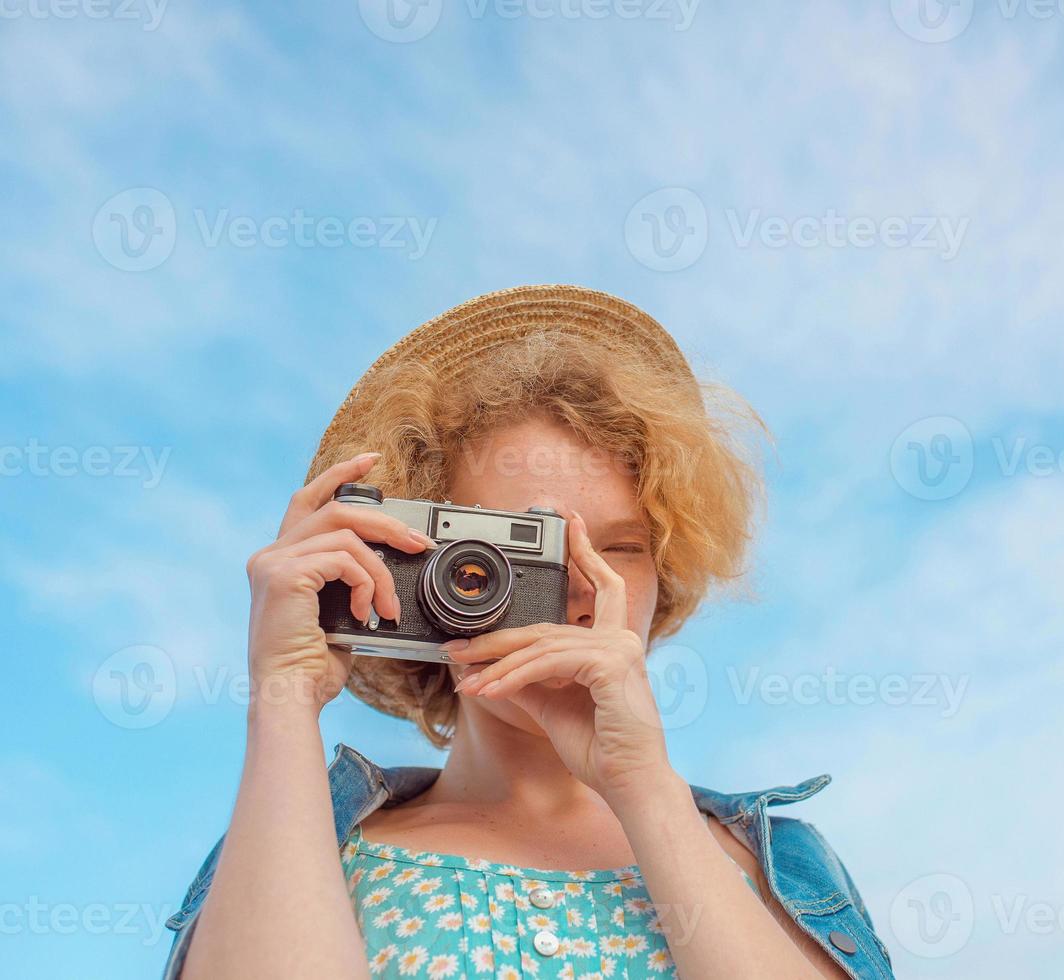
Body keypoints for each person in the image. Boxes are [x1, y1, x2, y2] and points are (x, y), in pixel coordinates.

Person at [161, 286, 896, 979]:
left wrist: (642, 785)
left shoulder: (771, 862)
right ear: (412, 562)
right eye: (520, 551)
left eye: (620, 548)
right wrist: (283, 696)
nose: (581, 588)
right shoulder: (302, 850)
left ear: (665, 576)